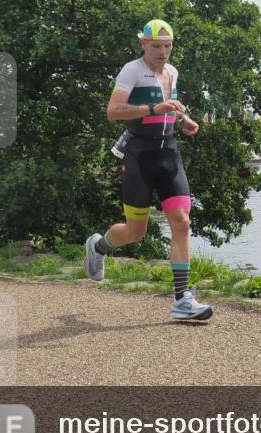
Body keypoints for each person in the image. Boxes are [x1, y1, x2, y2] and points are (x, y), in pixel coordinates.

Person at [83, 19, 212, 321]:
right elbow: (113, 111)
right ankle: (98, 246)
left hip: (169, 154)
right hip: (139, 156)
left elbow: (168, 108)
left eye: (167, 46)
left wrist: (184, 120)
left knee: (182, 222)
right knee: (135, 232)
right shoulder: (132, 70)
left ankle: (182, 299)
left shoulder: (172, 72)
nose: (162, 52)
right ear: (143, 43)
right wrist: (154, 109)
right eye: (156, 46)